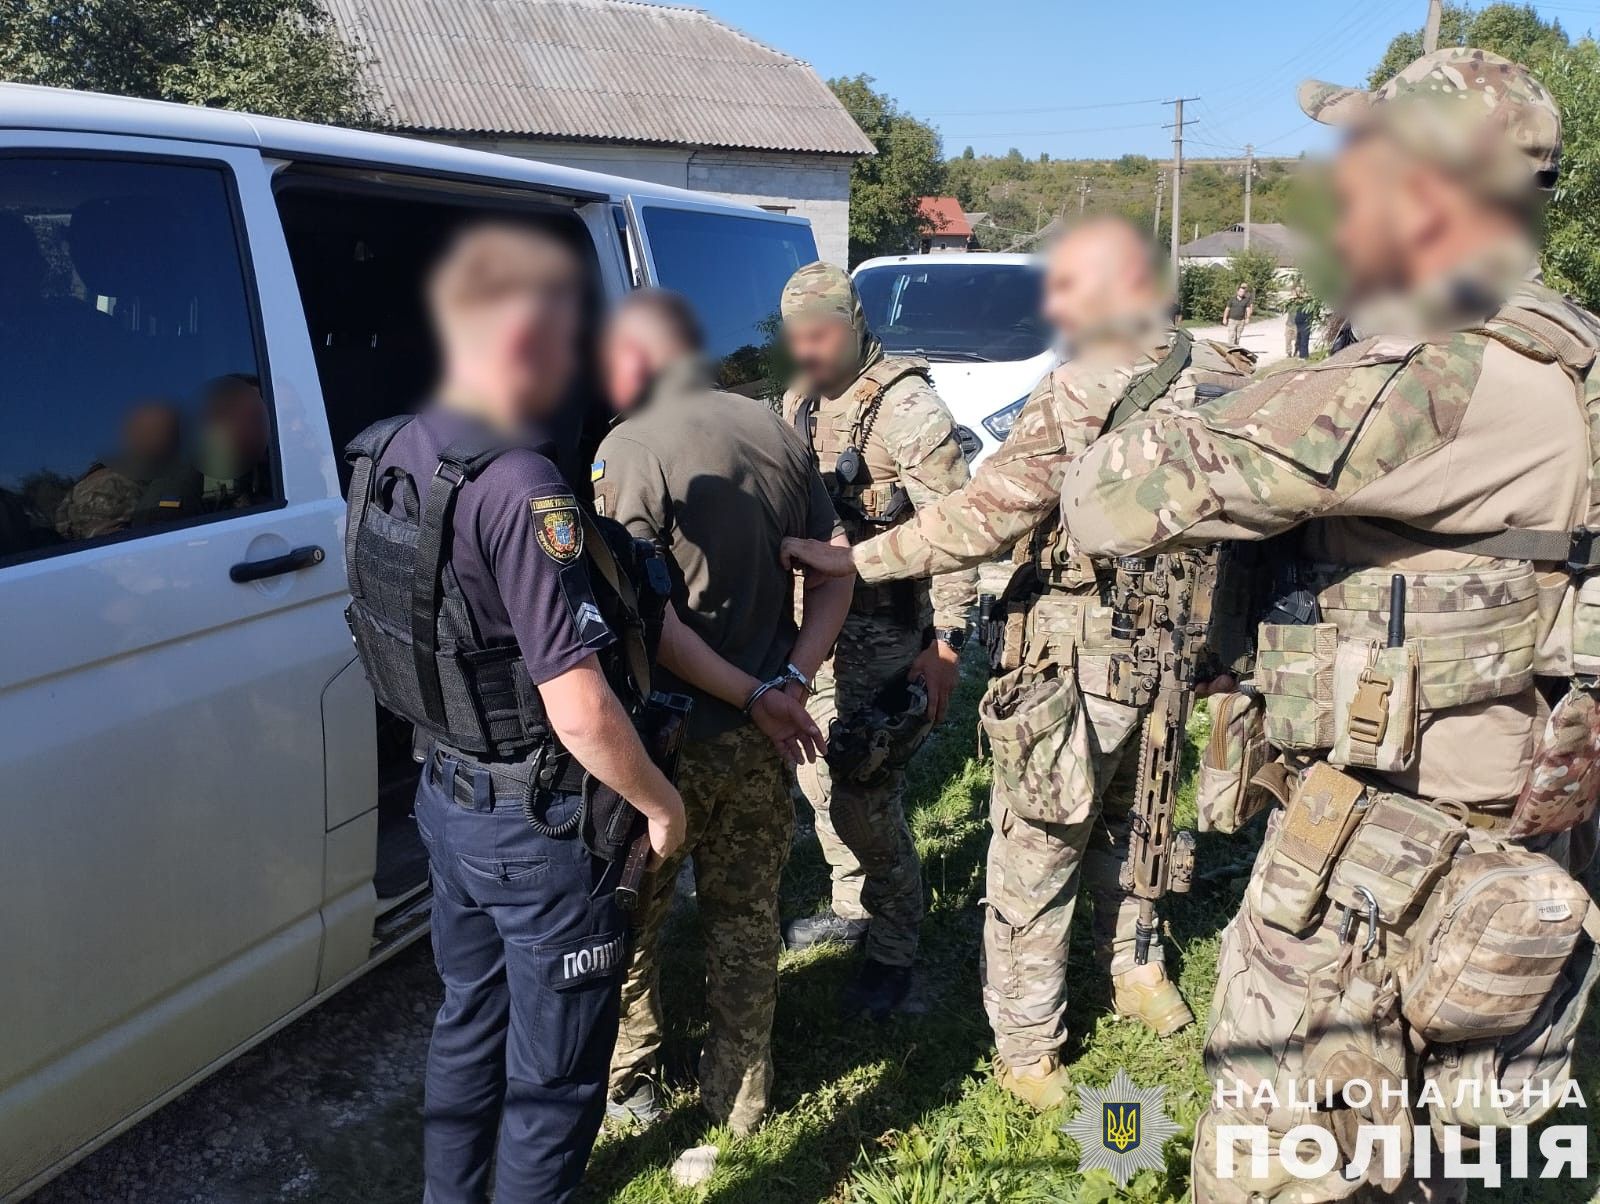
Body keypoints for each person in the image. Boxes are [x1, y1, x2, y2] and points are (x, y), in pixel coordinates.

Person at [1061, 50, 1600, 1202]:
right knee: (1436, 1164)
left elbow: (1108, 496)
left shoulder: (1424, 377)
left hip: (1374, 876)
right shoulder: (1572, 355)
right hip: (1512, 845)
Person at [341, 223, 816, 1204]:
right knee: (555, 1082)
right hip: (539, 821)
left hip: (448, 797)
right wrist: (661, 807)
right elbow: (581, 707)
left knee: (468, 1016)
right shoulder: (520, 486)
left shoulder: (388, 447)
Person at [782, 217, 1255, 1109]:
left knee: (1074, 835)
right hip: (1146, 646)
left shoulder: (1099, 387)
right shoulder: (1231, 376)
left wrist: (862, 564)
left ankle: (1056, 1020)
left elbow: (983, 513)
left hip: (1099, 650)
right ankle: (1092, 991)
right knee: (1132, 815)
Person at [591, 289, 853, 1132]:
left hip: (670, 742)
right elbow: (835, 568)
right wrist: (792, 685)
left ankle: (628, 1081)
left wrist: (757, 693)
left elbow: (647, 621)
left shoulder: (628, 448)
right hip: (762, 733)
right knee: (746, 919)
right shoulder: (775, 429)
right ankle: (741, 1100)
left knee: (635, 916)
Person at [777, 261, 978, 1017]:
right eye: (797, 336)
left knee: (864, 790)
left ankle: (895, 940)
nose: (809, 350)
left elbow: (961, 526)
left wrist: (950, 640)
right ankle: (852, 904)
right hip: (813, 628)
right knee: (814, 775)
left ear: (854, 324)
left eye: (821, 333)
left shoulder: (908, 409)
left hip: (889, 633)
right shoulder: (799, 399)